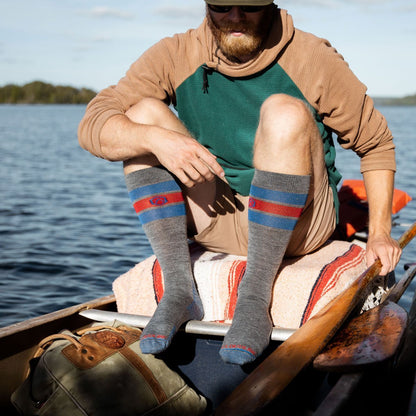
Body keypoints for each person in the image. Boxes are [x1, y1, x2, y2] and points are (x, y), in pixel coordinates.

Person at [78, 0, 402, 365]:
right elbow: (93, 125)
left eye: (248, 5)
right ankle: (179, 289)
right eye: (221, 6)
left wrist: (379, 232)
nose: (235, 17)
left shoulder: (311, 56)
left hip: (299, 225)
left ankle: (255, 297)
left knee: (284, 111)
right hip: (214, 214)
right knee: (140, 116)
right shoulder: (176, 52)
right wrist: (157, 140)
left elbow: (375, 144)